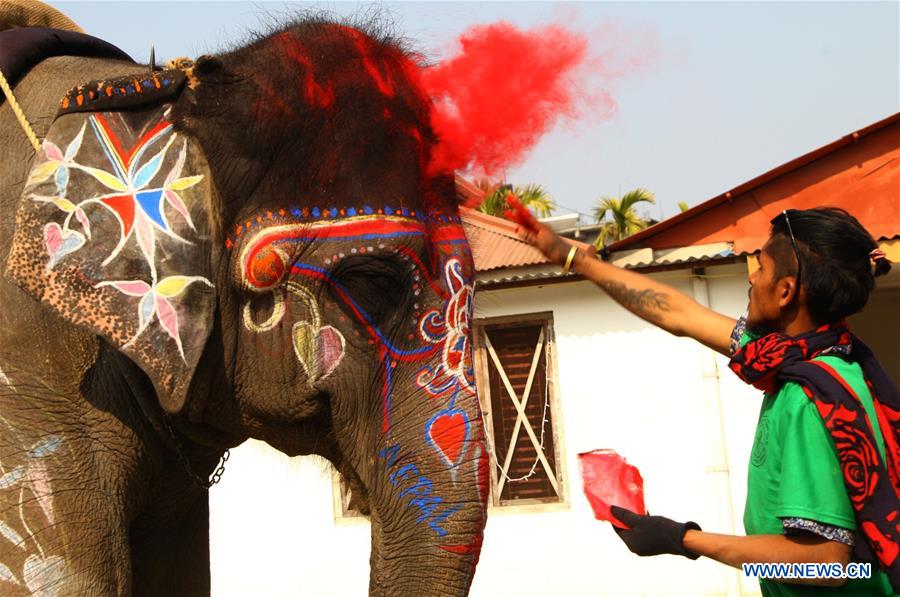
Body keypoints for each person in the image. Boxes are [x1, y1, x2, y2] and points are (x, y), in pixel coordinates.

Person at [505, 197, 898, 596]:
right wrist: (573, 257)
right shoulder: (802, 358)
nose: (751, 278)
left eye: (760, 267)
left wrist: (683, 539)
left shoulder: (811, 398)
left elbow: (826, 562)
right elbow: (679, 314)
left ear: (785, 291)